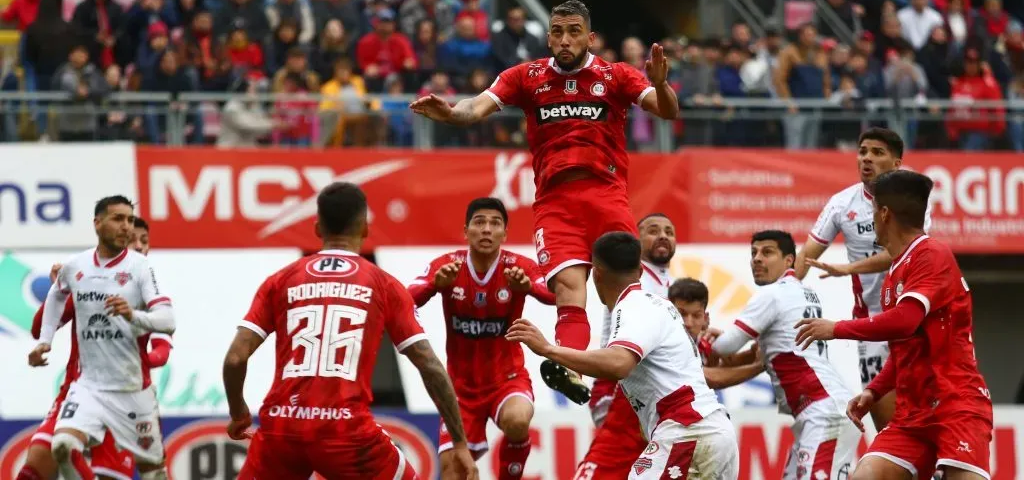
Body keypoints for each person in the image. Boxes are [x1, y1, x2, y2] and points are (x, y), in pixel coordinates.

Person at [410, 0, 679, 404]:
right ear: (548, 36)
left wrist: (659, 83)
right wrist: (451, 114)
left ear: (590, 37)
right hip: (555, 204)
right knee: (570, 290)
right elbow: (474, 107)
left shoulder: (615, 75)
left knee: (626, 289)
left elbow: (667, 111)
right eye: (557, 31)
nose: (565, 39)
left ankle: (644, 363)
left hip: (607, 196)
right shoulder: (526, 76)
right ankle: (571, 367)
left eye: (573, 31)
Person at [222, 182, 478, 480]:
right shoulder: (384, 285)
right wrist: (459, 442)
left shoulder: (281, 281)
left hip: (282, 429)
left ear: (317, 228)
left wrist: (239, 411)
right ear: (365, 228)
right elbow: (429, 366)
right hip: (345, 431)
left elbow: (235, 358)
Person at [795, 171, 993, 480]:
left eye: (873, 209)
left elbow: (905, 321)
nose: (870, 217)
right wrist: (874, 392)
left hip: (956, 405)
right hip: (913, 414)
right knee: (865, 476)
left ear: (884, 213)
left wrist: (836, 329)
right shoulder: (894, 272)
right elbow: (904, 349)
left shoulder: (931, 254)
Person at [508, 232, 738, 479]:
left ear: (595, 274)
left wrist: (548, 349)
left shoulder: (633, 307)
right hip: (711, 432)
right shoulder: (658, 305)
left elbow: (619, 363)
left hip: (688, 433)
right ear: (640, 271)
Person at [28, 196, 175, 480]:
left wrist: (133, 317)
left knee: (153, 473)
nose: (128, 231)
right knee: (61, 448)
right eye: (120, 220)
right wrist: (44, 341)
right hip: (86, 387)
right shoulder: (79, 267)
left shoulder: (142, 272)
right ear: (97, 223)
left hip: (132, 391)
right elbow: (54, 301)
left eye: (130, 222)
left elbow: (167, 327)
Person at [795, 127, 931, 430]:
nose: (866, 159)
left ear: (896, 164)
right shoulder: (842, 204)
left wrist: (849, 269)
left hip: (914, 323)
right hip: (872, 328)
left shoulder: (912, 201)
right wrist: (786, 289)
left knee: (923, 422)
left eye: (877, 153)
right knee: (889, 430)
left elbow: (906, 252)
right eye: (863, 151)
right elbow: (807, 255)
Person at [408, 198, 553, 479]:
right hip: (459, 391)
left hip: (507, 379)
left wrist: (528, 288)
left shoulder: (518, 267)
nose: (487, 229)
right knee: (452, 472)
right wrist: (434, 286)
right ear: (466, 231)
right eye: (479, 222)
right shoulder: (447, 266)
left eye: (495, 223)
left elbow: (556, 293)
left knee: (518, 419)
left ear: (505, 234)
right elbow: (406, 297)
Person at [709, 231, 859, 480]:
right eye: (753, 253)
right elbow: (758, 354)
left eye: (767, 252)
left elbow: (726, 346)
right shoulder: (801, 292)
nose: (757, 259)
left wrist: (704, 339)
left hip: (824, 413)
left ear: (789, 260)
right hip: (825, 411)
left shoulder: (773, 294)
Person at [575, 213, 676, 480]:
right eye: (653, 230)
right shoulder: (637, 285)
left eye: (669, 231)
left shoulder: (670, 287)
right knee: (615, 463)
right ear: (636, 241)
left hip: (652, 392)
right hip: (618, 388)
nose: (663, 235)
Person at [669, 279, 764, 390]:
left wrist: (759, 350)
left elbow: (727, 366)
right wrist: (760, 366)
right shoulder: (666, 344)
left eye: (696, 315)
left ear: (705, 319)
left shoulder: (703, 342)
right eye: (681, 314)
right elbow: (711, 378)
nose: (688, 323)